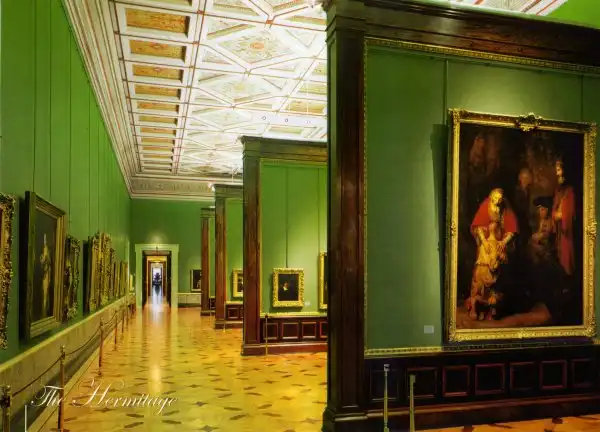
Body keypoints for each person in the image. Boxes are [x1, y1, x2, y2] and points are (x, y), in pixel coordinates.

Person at [467, 188, 519, 320]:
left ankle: (493, 305)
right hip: (486, 243)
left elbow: (511, 230)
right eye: (495, 198)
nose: (497, 201)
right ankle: (477, 304)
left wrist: (503, 242)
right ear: (491, 197)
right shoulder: (485, 206)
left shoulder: (505, 209)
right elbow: (478, 227)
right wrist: (484, 242)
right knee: (481, 272)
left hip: (498, 243)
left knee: (498, 270)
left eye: (499, 199)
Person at [552, 158, 575, 276]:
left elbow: (571, 212)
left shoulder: (570, 191)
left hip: (567, 231)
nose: (557, 173)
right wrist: (554, 215)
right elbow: (555, 207)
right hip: (560, 229)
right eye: (556, 170)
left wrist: (562, 216)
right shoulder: (558, 190)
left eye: (559, 170)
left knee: (567, 254)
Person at [529, 196, 555, 265]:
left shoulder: (551, 220)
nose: (540, 212)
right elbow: (539, 232)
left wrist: (539, 236)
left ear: (548, 210)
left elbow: (548, 234)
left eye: (542, 209)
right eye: (539, 210)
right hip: (541, 244)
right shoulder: (542, 220)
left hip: (548, 247)